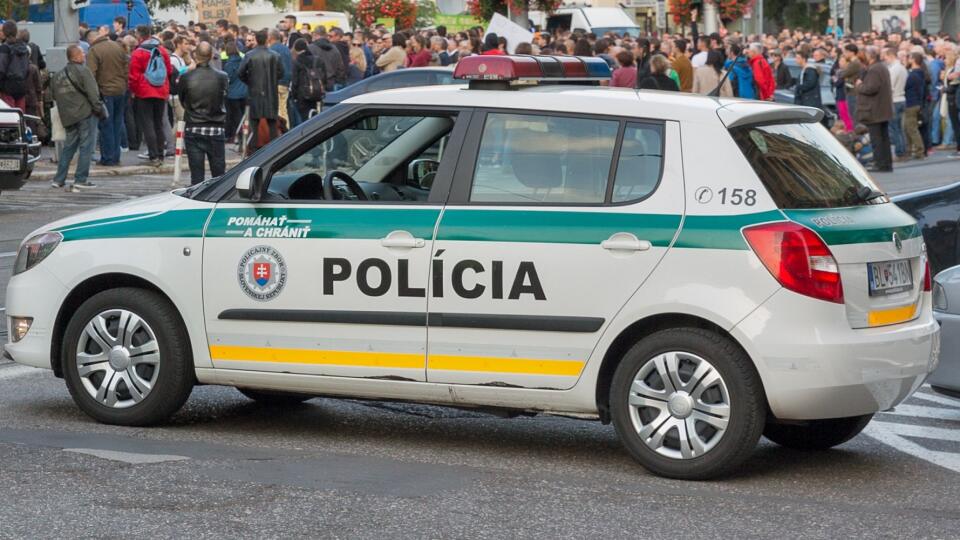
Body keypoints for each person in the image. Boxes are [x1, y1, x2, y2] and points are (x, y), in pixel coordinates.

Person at [50, 45, 103, 189]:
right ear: (76, 56)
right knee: (86, 147)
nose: (84, 55)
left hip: (68, 116)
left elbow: (53, 96)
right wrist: (99, 110)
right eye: (82, 53)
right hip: (85, 114)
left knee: (68, 147)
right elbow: (94, 94)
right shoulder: (84, 71)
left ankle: (59, 179)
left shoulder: (57, 76)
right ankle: (80, 179)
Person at [178, 42, 228, 185]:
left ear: (195, 56)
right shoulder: (222, 77)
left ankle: (197, 203)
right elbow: (224, 96)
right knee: (218, 176)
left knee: (196, 176)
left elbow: (183, 100)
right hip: (216, 126)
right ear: (212, 56)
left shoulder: (187, 77)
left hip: (194, 126)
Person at [128, 24, 173, 166]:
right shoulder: (162, 50)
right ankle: (161, 154)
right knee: (158, 123)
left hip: (144, 91)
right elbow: (169, 71)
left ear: (140, 36)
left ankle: (153, 155)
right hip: (161, 91)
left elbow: (133, 76)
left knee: (147, 124)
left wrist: (134, 91)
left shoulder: (138, 53)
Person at [86, 25, 128, 166]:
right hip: (120, 90)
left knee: (106, 125)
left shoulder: (94, 50)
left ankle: (108, 158)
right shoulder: (117, 46)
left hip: (105, 92)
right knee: (117, 123)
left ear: (91, 40)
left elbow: (91, 75)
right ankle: (116, 156)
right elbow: (126, 67)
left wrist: (93, 94)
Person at [238, 29, 282, 152]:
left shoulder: (250, 55)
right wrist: (272, 80)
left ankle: (253, 151)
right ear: (267, 39)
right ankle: (275, 151)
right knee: (272, 124)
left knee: (254, 125)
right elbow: (281, 73)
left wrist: (250, 82)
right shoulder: (275, 55)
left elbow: (240, 73)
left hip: (255, 93)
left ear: (256, 40)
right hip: (270, 94)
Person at [857, 46, 894, 172]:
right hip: (882, 109)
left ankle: (880, 163)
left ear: (870, 56)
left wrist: (859, 86)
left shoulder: (874, 69)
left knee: (877, 139)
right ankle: (886, 163)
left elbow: (871, 88)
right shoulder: (881, 67)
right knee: (883, 138)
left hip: (875, 110)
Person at [291, 38, 326, 120]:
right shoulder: (318, 60)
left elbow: (295, 82)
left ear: (296, 49)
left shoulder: (297, 62)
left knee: (304, 120)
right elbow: (324, 77)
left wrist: (294, 96)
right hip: (317, 94)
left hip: (303, 96)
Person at [903, 51, 928, 161]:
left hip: (911, 103)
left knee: (912, 129)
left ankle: (919, 151)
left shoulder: (913, 75)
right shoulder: (920, 73)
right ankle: (914, 149)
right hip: (915, 103)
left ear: (913, 60)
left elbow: (906, 87)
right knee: (909, 128)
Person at [0, 21, 31, 110]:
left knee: (9, 117)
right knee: (20, 117)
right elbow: (27, 68)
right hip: (21, 87)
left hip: (7, 88)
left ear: (5, 32)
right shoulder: (24, 48)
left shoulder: (4, 48)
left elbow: (1, 69)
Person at [884, 47, 908, 159]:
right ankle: (903, 149)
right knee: (899, 128)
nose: (885, 60)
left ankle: (900, 152)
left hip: (895, 99)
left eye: (886, 57)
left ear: (890, 56)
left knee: (895, 128)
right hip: (902, 98)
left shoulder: (894, 69)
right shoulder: (902, 68)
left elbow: (890, 86)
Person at [222, 40, 247, 143]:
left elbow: (229, 79)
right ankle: (244, 136)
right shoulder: (243, 60)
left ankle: (237, 137)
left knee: (235, 117)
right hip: (245, 92)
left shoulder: (228, 64)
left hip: (232, 94)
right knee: (244, 116)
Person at [267, 29, 292, 129]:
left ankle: (278, 130)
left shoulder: (271, 50)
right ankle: (286, 128)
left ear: (270, 37)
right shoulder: (286, 49)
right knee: (283, 108)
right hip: (285, 82)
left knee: (276, 109)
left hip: (275, 82)